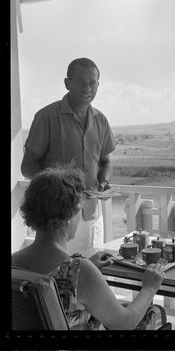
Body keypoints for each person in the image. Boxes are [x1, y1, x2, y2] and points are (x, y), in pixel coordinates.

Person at [12, 165, 166, 330]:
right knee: (153, 313)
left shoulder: (14, 261)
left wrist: (87, 266)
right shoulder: (80, 271)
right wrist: (149, 288)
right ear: (70, 215)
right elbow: (124, 324)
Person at [21, 57, 115, 256]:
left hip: (90, 213)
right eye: (81, 82)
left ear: (98, 85)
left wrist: (104, 180)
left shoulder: (101, 120)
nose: (87, 88)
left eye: (92, 83)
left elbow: (105, 161)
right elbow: (28, 167)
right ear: (67, 83)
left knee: (89, 268)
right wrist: (59, 189)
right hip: (56, 218)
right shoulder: (46, 117)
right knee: (58, 276)